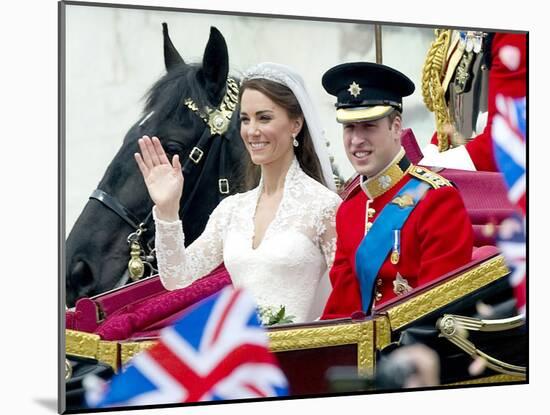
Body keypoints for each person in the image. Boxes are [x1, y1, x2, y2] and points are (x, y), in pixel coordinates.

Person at [134, 62, 341, 324]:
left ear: (295, 124)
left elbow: (344, 299)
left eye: (264, 118)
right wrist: (167, 209)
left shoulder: (324, 205)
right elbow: (177, 276)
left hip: (301, 356)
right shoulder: (231, 210)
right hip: (243, 358)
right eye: (245, 119)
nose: (252, 131)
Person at [320, 62, 474, 319]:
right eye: (349, 127)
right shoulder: (349, 209)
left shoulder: (437, 199)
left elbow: (439, 309)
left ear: (395, 127)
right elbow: (342, 311)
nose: (356, 140)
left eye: (368, 126)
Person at [420, 31, 526, 171]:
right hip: (460, 163)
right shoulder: (457, 33)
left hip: (495, 175)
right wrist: (433, 148)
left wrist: (441, 163)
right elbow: (454, 116)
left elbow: (508, 135)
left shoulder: (514, 36)